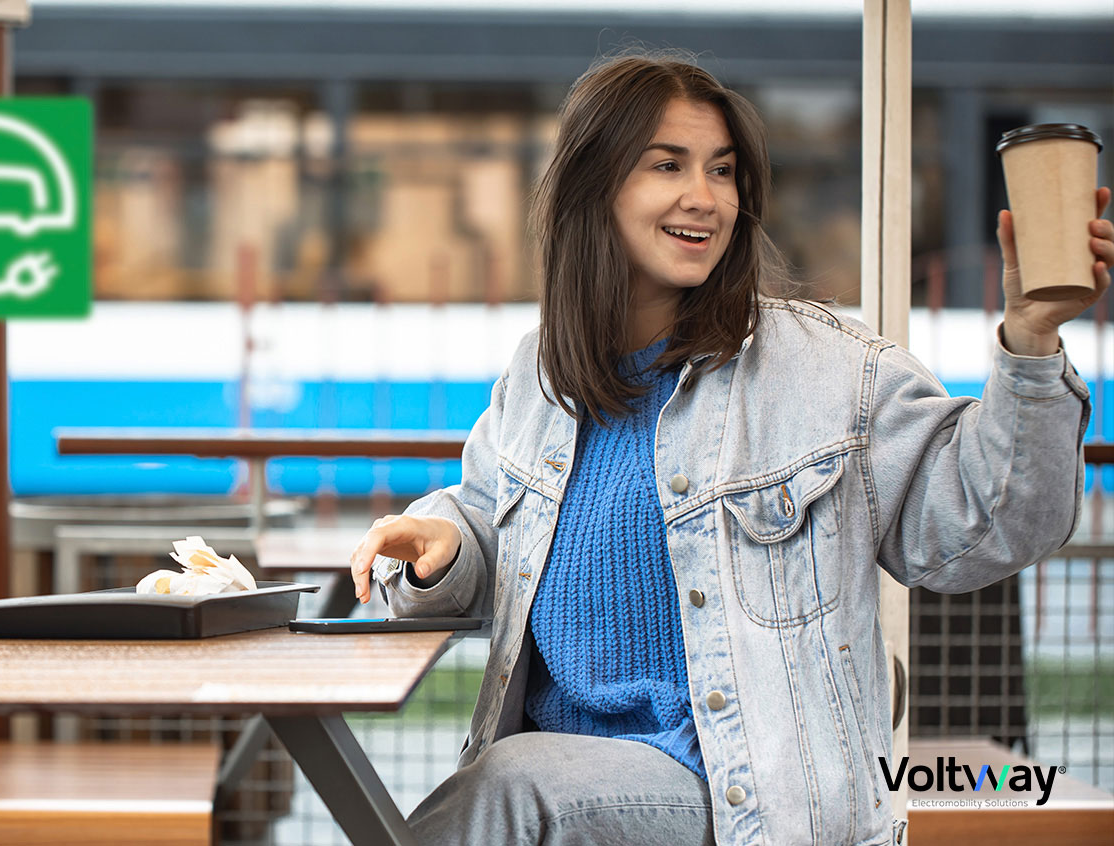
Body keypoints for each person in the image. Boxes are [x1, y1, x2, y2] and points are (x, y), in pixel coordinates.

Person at [348, 51, 1113, 846]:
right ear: (593, 187)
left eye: (722, 171)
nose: (704, 197)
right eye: (667, 166)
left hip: (741, 799)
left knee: (505, 791)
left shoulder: (827, 370)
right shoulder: (539, 376)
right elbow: (485, 528)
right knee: (514, 783)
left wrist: (1030, 340)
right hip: (575, 780)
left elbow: (982, 529)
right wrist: (443, 543)